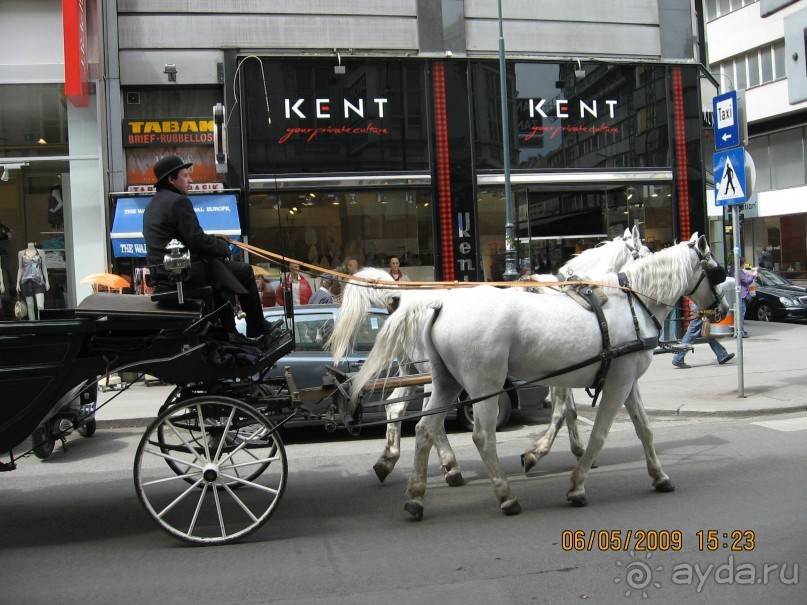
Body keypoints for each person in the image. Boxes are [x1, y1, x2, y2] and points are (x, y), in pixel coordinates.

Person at [142, 155, 276, 343]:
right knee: (244, 271)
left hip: (165, 273)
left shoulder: (152, 206)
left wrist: (214, 240)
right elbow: (196, 240)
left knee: (220, 274)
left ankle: (229, 331)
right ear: (172, 180)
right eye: (185, 176)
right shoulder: (178, 202)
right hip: (184, 273)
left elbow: (185, 238)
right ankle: (256, 326)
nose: (190, 180)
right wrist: (223, 248)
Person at [672, 302, 735, 369]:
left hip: (698, 304)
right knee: (692, 332)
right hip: (700, 304)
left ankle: (722, 354)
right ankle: (678, 357)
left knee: (708, 331)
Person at [16, 242, 49, 320]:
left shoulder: (41, 252)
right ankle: (32, 325)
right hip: (26, 281)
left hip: (39, 281)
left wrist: (47, 281)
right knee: (30, 305)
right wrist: (17, 282)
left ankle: (41, 325)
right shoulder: (21, 253)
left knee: (40, 305)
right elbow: (20, 268)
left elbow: (44, 266)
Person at [729, 258, 756, 338]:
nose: (744, 265)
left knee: (739, 314)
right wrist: (753, 275)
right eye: (744, 263)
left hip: (738, 294)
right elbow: (746, 281)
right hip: (741, 295)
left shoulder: (733, 270)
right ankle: (740, 331)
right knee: (741, 314)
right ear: (741, 263)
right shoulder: (739, 272)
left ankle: (741, 330)